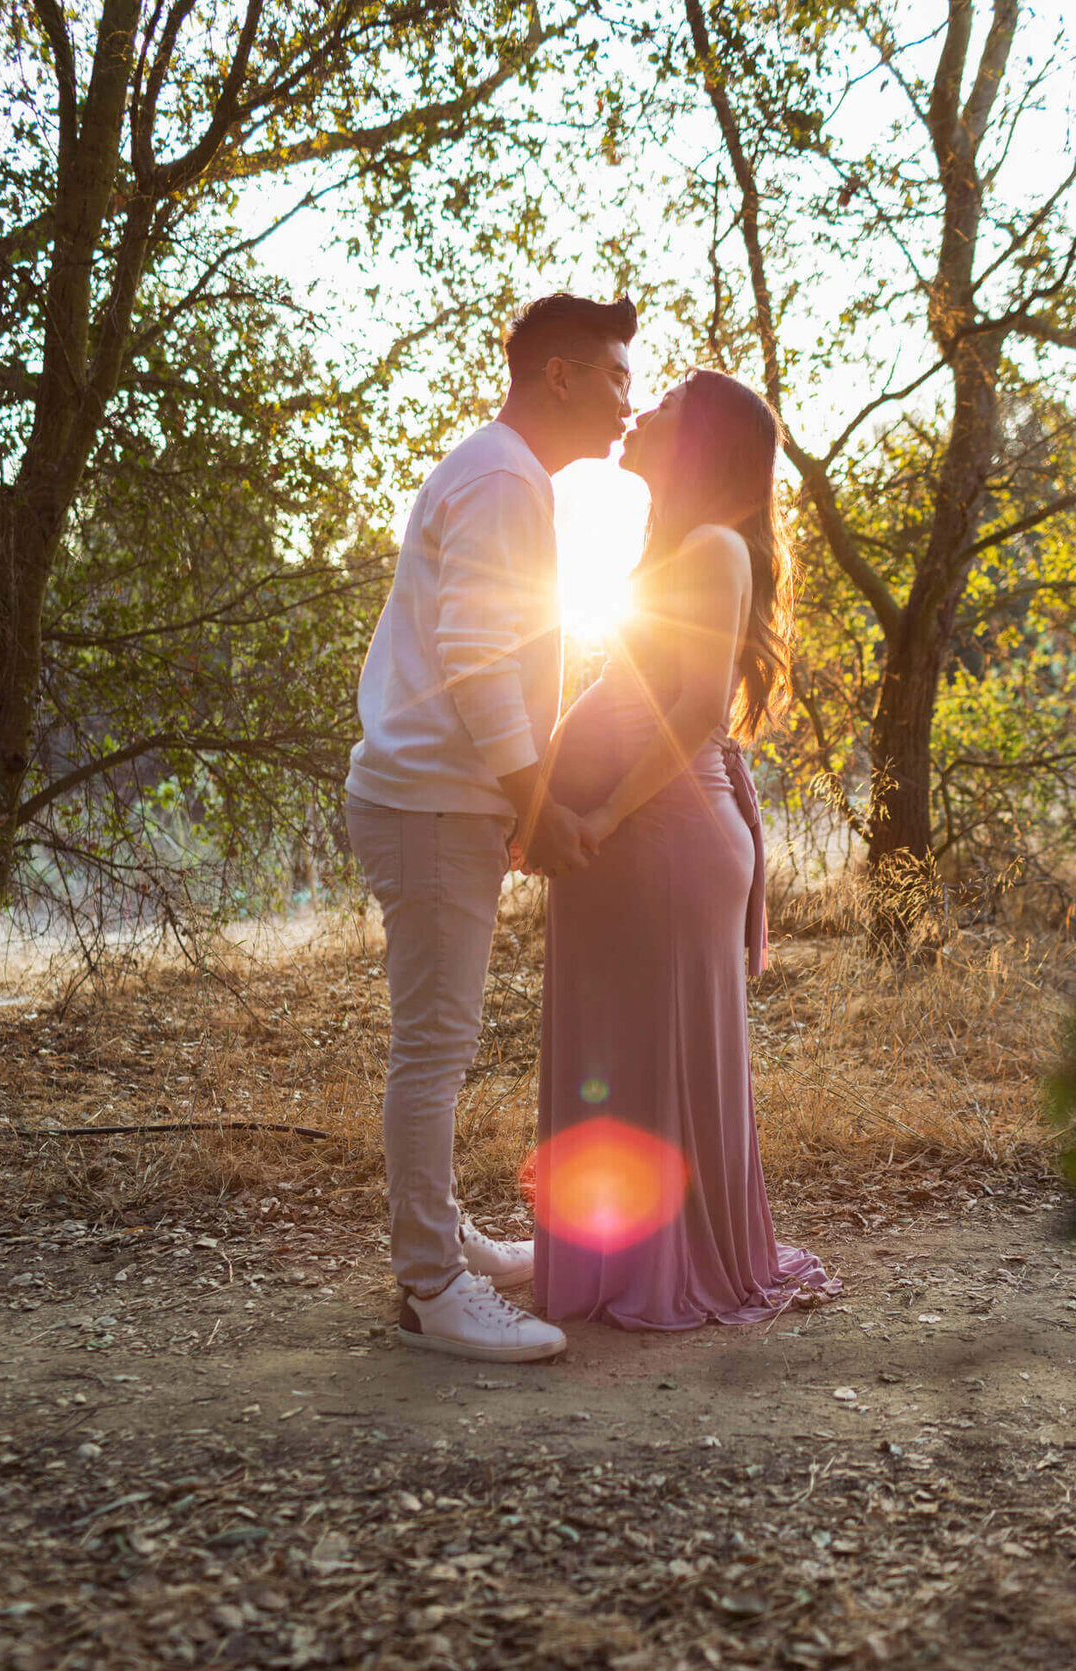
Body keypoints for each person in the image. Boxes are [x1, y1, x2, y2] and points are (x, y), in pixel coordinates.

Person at [346, 292, 637, 1361]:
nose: (626, 402)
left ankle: (446, 1242)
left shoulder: (503, 474)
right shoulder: (505, 477)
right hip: (426, 800)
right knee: (433, 1049)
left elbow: (489, 657)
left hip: (434, 796)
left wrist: (516, 797)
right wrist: (535, 803)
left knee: (440, 1043)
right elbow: (473, 658)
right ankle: (432, 1291)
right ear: (555, 374)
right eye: (611, 375)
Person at [535, 369, 841, 1328]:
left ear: (698, 443)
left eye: (664, 405)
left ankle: (663, 1270)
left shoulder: (710, 548)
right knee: (619, 1047)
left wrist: (597, 815)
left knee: (651, 1050)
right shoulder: (678, 550)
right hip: (634, 839)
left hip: (662, 838)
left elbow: (697, 709)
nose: (642, 413)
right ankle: (617, 1258)